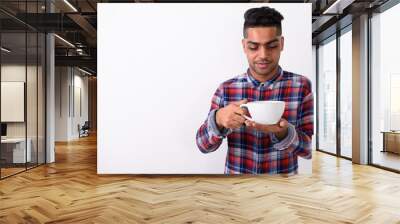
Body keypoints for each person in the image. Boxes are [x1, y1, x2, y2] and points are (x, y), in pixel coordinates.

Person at [195, 6, 313, 174]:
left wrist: (284, 133)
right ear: (244, 46)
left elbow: (310, 150)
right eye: (253, 47)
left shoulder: (302, 86)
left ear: (281, 44)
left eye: (271, 46)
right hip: (236, 191)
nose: (263, 55)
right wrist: (219, 119)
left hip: (284, 192)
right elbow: (202, 146)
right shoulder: (226, 89)